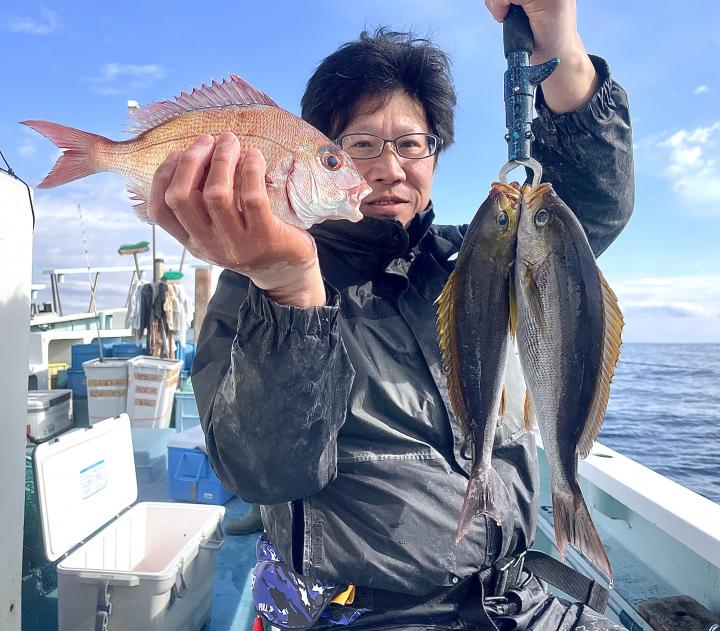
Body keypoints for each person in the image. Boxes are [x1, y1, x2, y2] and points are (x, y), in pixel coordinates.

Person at [148, 0, 634, 628]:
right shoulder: (257, 286)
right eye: (358, 146)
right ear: (312, 154)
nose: (389, 169)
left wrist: (561, 49)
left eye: (410, 144)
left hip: (517, 598)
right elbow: (265, 471)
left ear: (436, 155)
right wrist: (292, 292)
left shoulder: (475, 259)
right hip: (358, 614)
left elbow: (589, 210)